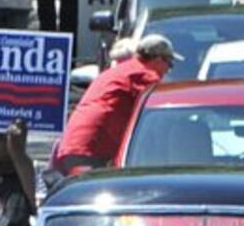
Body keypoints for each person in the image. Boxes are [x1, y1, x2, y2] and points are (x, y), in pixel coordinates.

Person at [53, 35, 170, 172]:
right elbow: (161, 117)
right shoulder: (146, 76)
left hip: (73, 145)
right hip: (91, 150)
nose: (168, 70)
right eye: (169, 64)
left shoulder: (118, 71)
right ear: (158, 60)